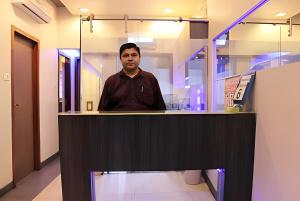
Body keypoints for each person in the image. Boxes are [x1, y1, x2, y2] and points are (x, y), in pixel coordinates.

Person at [98, 43, 166, 111]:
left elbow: (161, 108)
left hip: (147, 121)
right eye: (126, 55)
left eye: (134, 55)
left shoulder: (150, 79)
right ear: (120, 59)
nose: (130, 58)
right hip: (118, 121)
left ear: (139, 57)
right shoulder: (111, 81)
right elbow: (102, 111)